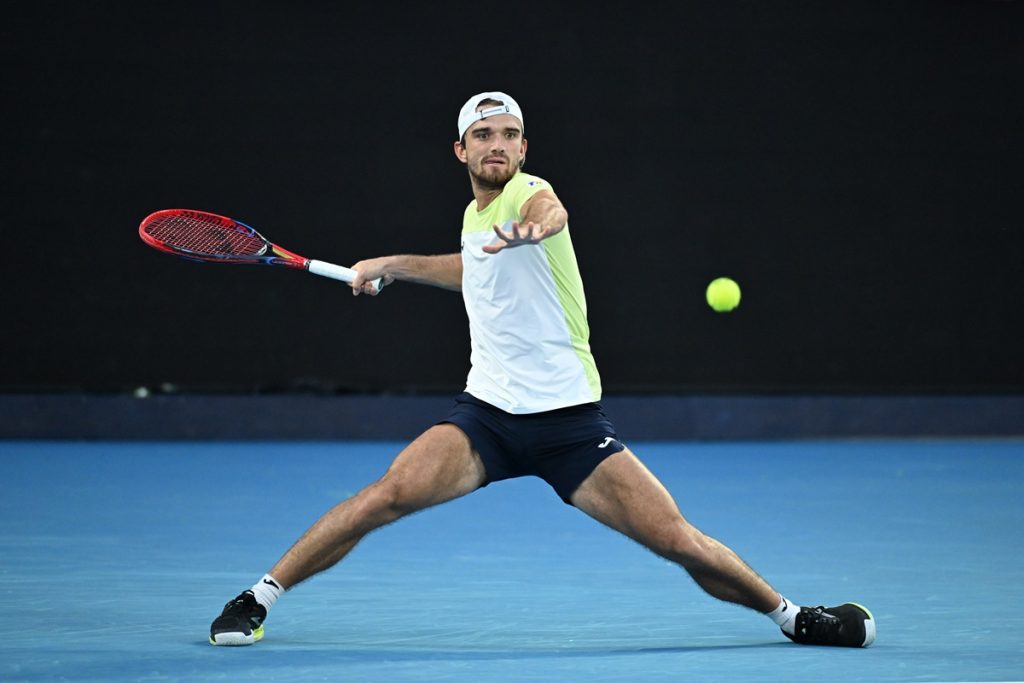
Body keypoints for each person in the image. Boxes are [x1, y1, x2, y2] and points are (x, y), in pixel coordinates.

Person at [209, 91, 876, 649]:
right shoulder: (476, 217)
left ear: (524, 150)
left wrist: (537, 226)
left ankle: (793, 616)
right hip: (487, 419)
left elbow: (548, 211)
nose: (497, 144)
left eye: (510, 134)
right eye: (483, 134)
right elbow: (471, 267)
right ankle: (258, 595)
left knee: (678, 540)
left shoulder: (529, 196)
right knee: (383, 496)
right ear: (461, 150)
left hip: (570, 426)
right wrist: (393, 265)